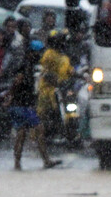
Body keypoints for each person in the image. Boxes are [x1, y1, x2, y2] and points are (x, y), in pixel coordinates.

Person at [6, 38, 60, 171]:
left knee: (22, 134)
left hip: (21, 104)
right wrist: (10, 96)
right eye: (37, 53)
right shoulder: (25, 66)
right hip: (21, 105)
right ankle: (45, 160)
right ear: (31, 53)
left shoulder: (29, 66)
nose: (39, 55)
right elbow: (16, 83)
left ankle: (17, 164)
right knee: (38, 130)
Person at [36, 29, 75, 134]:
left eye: (60, 40)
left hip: (63, 87)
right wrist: (51, 77)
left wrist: (79, 74)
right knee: (45, 110)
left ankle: (70, 128)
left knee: (71, 105)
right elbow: (45, 69)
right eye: (56, 41)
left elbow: (70, 70)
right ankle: (44, 130)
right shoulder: (49, 54)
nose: (59, 43)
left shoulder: (65, 56)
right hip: (48, 87)